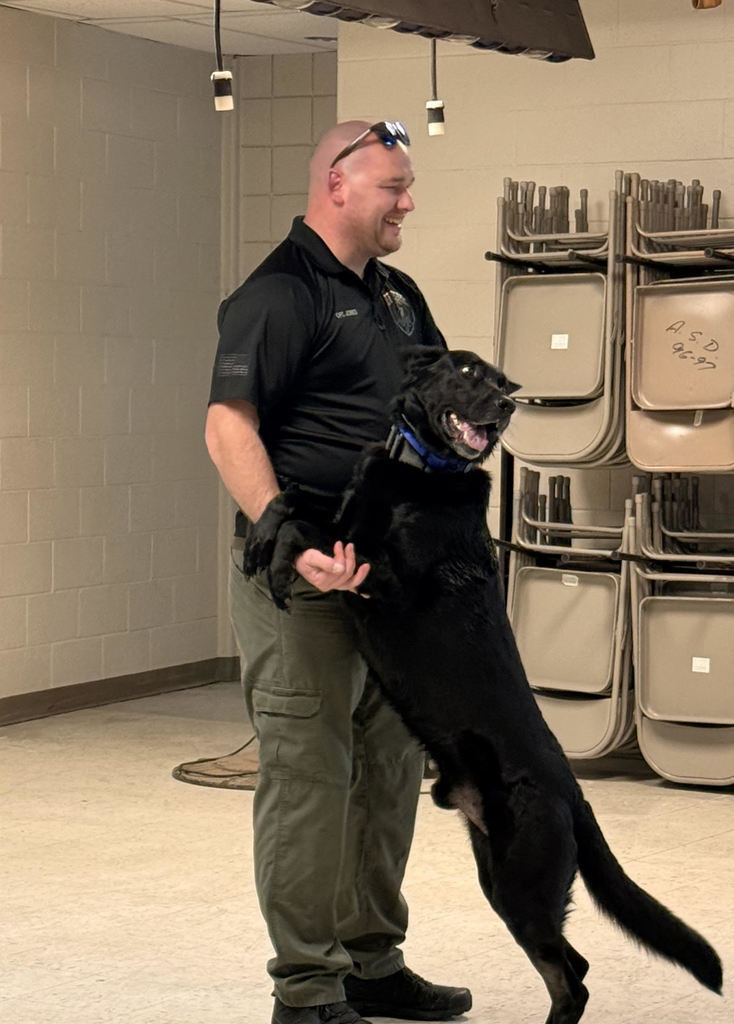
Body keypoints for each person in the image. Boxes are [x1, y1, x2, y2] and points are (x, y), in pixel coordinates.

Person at [205, 120, 473, 1024]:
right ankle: (308, 989)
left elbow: (432, 406)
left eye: (407, 185)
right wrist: (285, 532)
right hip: (305, 584)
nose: (408, 202)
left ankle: (370, 962)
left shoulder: (397, 296)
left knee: (389, 772)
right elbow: (228, 425)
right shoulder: (278, 294)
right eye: (394, 186)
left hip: (390, 582)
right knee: (310, 780)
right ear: (337, 185)